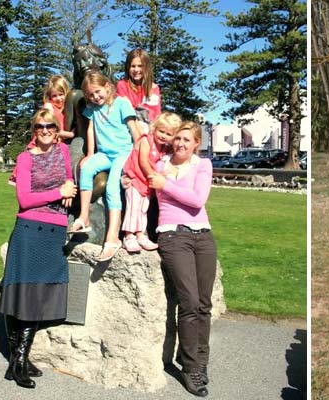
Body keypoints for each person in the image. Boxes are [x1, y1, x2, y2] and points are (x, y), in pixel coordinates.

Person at [0, 108, 77, 389]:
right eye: (40, 126)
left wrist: (69, 184)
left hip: (54, 230)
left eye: (50, 126)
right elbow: (24, 198)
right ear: (34, 130)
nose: (45, 130)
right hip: (29, 230)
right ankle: (19, 361)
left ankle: (17, 361)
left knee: (39, 291)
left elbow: (69, 178)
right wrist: (60, 192)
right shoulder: (24, 158)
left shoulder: (64, 151)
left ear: (57, 130)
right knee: (22, 292)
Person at [151, 121, 216, 397]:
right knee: (188, 302)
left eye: (187, 140)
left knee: (203, 304)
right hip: (172, 236)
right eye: (177, 139)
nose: (180, 144)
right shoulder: (159, 165)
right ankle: (190, 368)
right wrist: (163, 182)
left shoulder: (203, 165)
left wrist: (167, 184)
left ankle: (200, 362)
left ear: (196, 144)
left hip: (203, 236)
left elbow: (198, 199)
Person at [69, 71, 145, 261]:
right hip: (105, 154)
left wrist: (138, 157)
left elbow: (134, 129)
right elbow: (90, 130)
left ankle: (112, 237)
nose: (95, 97)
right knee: (85, 169)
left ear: (107, 87)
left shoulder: (121, 103)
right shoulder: (93, 109)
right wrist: (90, 155)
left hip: (123, 153)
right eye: (90, 95)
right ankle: (84, 216)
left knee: (112, 187)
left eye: (97, 92)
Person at [121, 112, 180, 253]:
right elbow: (143, 161)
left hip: (146, 184)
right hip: (136, 179)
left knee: (143, 210)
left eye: (168, 134)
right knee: (133, 208)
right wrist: (153, 177)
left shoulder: (164, 149)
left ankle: (141, 234)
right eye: (161, 131)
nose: (163, 136)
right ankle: (129, 236)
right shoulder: (146, 140)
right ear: (155, 128)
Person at [9, 76, 77, 186]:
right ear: (49, 96)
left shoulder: (66, 110)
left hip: (55, 145)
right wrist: (71, 134)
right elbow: (51, 129)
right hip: (41, 143)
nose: (58, 98)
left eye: (61, 94)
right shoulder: (49, 106)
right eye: (54, 96)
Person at [116, 49, 162, 124]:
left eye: (140, 66)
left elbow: (156, 114)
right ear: (128, 68)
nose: (136, 69)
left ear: (146, 67)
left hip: (150, 128)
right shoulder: (122, 85)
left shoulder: (154, 88)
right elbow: (124, 110)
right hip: (131, 125)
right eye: (133, 66)